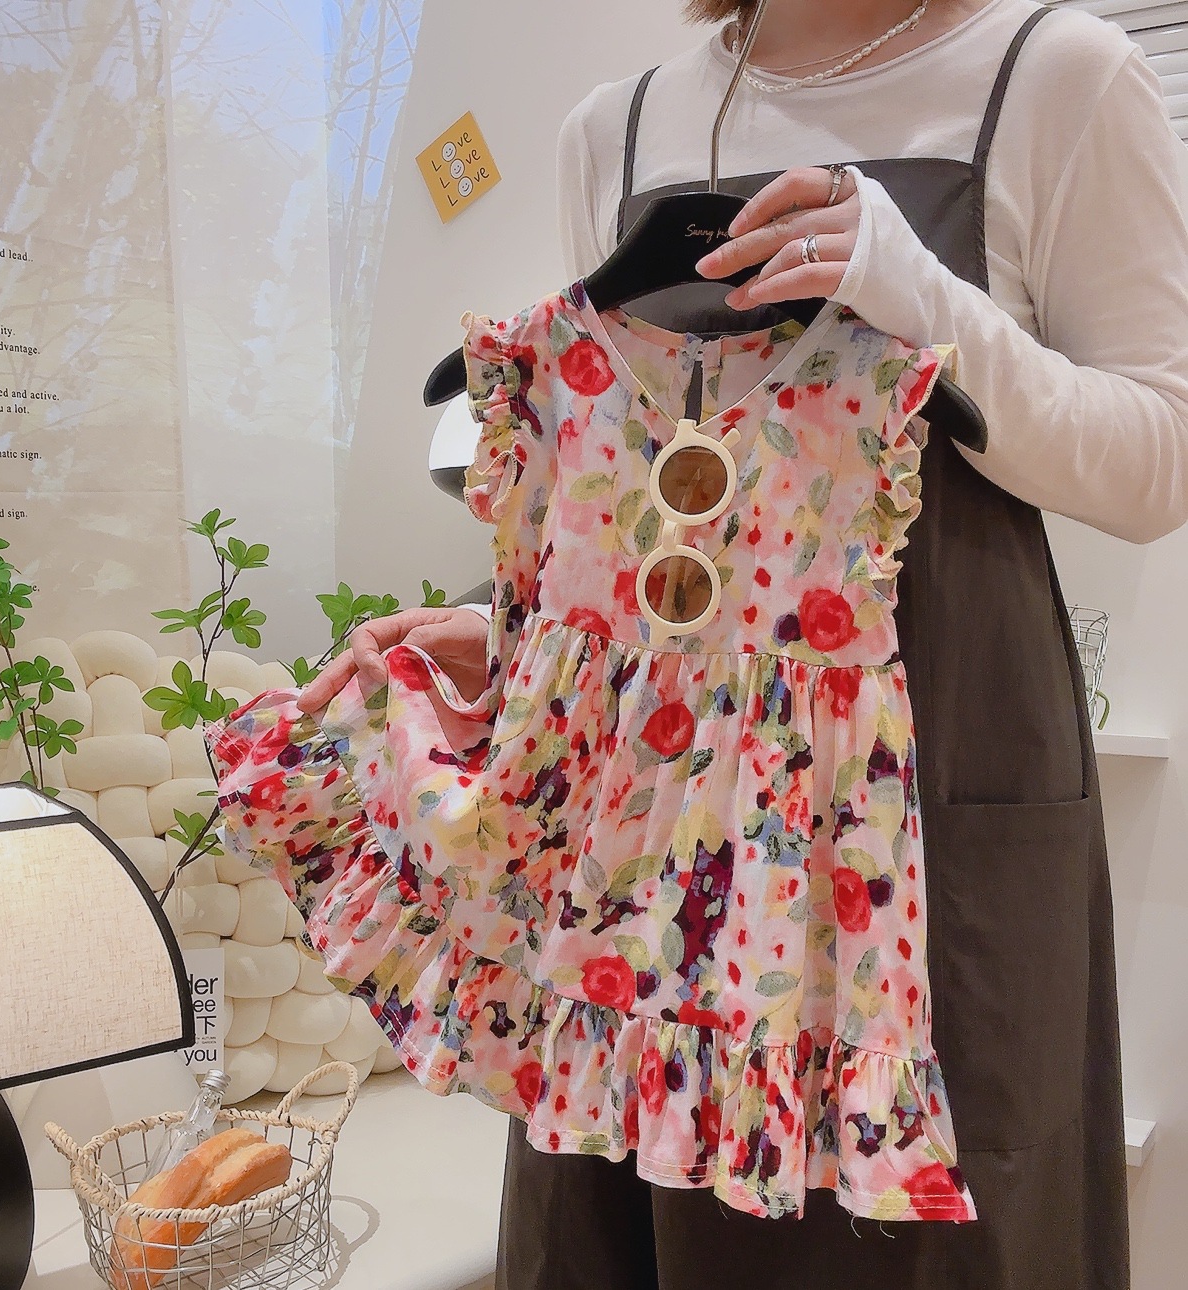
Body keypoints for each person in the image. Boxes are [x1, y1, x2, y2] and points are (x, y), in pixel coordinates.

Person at [301, 1, 1188, 1286]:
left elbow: (1160, 461)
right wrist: (522, 639)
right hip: (641, 829)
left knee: (933, 1230)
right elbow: (643, 478)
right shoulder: (615, 129)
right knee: (624, 1211)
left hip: (936, 782)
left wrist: (918, 295)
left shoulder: (1052, 76)